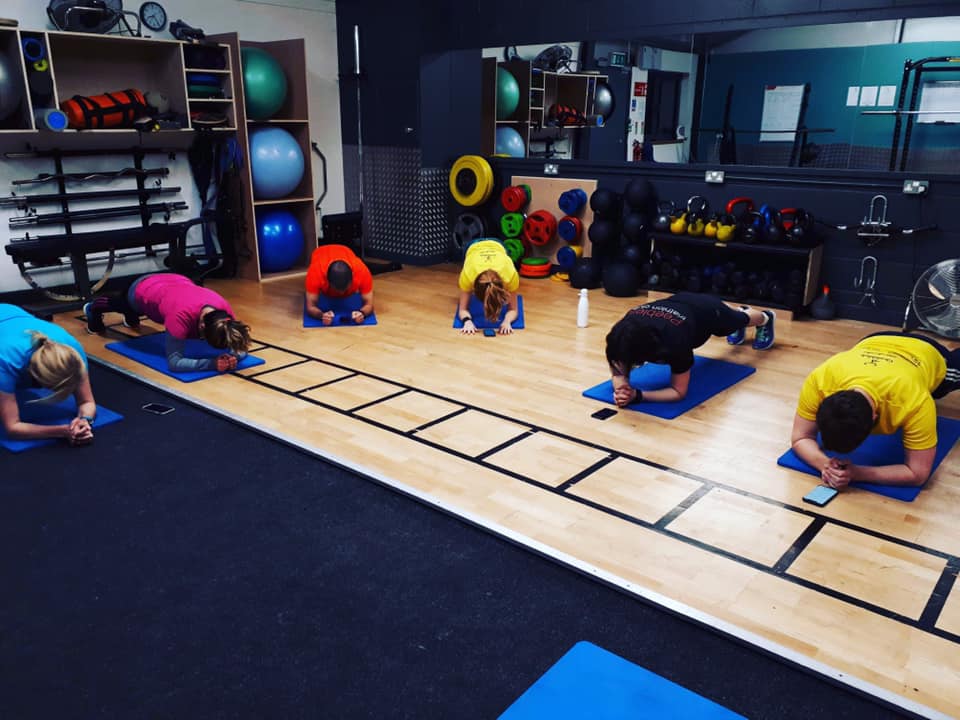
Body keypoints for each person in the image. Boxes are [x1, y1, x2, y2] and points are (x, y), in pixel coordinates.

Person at [791, 331, 960, 489]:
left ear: (875, 417)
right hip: (872, 341)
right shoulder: (820, 380)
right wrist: (825, 465)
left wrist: (858, 473)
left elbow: (917, 474)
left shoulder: (913, 400)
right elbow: (800, 438)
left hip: (925, 350)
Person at [605, 292, 775, 406]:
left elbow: (678, 392)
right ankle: (735, 316)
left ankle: (765, 317)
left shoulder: (674, 342)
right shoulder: (620, 336)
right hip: (678, 304)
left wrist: (638, 396)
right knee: (732, 321)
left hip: (706, 310)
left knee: (740, 319)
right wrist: (623, 389)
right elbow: (618, 373)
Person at [84, 273, 250, 373]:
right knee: (124, 305)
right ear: (201, 327)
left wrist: (233, 357)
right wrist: (212, 364)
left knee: (134, 318)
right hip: (143, 288)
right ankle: (92, 309)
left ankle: (130, 315)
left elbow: (240, 348)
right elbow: (175, 362)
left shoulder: (224, 313)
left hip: (177, 282)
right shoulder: (180, 317)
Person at [0, 303, 97, 446]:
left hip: (12, 314)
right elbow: (13, 428)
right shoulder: (6, 362)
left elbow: (87, 402)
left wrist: (85, 420)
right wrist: (63, 431)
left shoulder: (72, 351)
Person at [457, 239, 520, 335]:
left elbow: (513, 310)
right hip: (473, 247)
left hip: (498, 245)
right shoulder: (468, 275)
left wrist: (507, 321)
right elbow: (462, 310)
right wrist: (467, 322)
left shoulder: (510, 274)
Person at [304, 244, 374, 325]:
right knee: (310, 289)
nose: (341, 294)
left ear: (352, 279)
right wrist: (322, 316)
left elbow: (369, 304)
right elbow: (310, 307)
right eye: (337, 290)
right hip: (320, 253)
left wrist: (362, 313)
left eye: (345, 289)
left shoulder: (362, 271)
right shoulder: (315, 273)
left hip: (345, 250)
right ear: (327, 281)